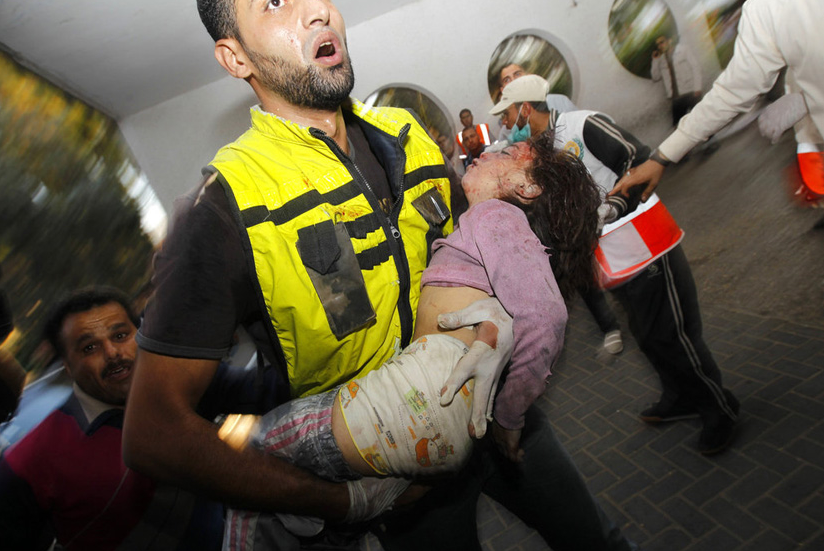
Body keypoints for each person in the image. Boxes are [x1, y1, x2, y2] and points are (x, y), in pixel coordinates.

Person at [123, 1, 638, 550]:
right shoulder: (223, 208)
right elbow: (153, 435)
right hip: (400, 477)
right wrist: (339, 503)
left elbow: (488, 244)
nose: (318, 10)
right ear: (235, 57)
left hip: (497, 405)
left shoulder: (407, 131)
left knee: (596, 540)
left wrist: (505, 322)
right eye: (273, 1)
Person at [220, 133, 609, 548]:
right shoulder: (487, 225)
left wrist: (509, 417)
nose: (484, 152)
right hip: (442, 412)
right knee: (589, 535)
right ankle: (348, 507)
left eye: (506, 153)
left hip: (423, 400)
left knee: (250, 451)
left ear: (527, 188)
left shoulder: (493, 215)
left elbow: (545, 315)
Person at [491, 75, 740, 455]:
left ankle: (718, 408)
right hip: (613, 261)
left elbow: (639, 159)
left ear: (525, 108)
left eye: (508, 113)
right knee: (646, 334)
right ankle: (680, 396)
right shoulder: (540, 153)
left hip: (646, 245)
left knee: (672, 336)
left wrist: (612, 207)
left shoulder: (582, 125)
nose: (505, 122)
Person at [0, 287, 224, 550]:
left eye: (120, 335)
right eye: (89, 347)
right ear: (68, 367)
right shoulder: (28, 461)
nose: (112, 353)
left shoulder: (186, 379)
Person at [612, 0, 824, 206]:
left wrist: (804, 99)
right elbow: (736, 89)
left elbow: (729, 88)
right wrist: (661, 156)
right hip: (677, 96)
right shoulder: (764, 9)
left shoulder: (765, 9)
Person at [499, 65, 625, 355]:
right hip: (564, 211)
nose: (511, 81)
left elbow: (582, 143)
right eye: (505, 79)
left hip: (601, 205)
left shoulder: (561, 106)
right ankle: (610, 326)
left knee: (615, 264)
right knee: (581, 270)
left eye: (515, 74)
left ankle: (629, 306)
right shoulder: (512, 126)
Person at [650, 34, 702, 126]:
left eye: (661, 42)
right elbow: (655, 77)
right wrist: (655, 60)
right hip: (676, 97)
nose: (660, 46)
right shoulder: (661, 59)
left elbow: (695, 67)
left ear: (669, 41)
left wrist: (697, 87)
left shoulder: (683, 50)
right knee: (678, 125)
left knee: (701, 120)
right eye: (658, 45)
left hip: (690, 92)